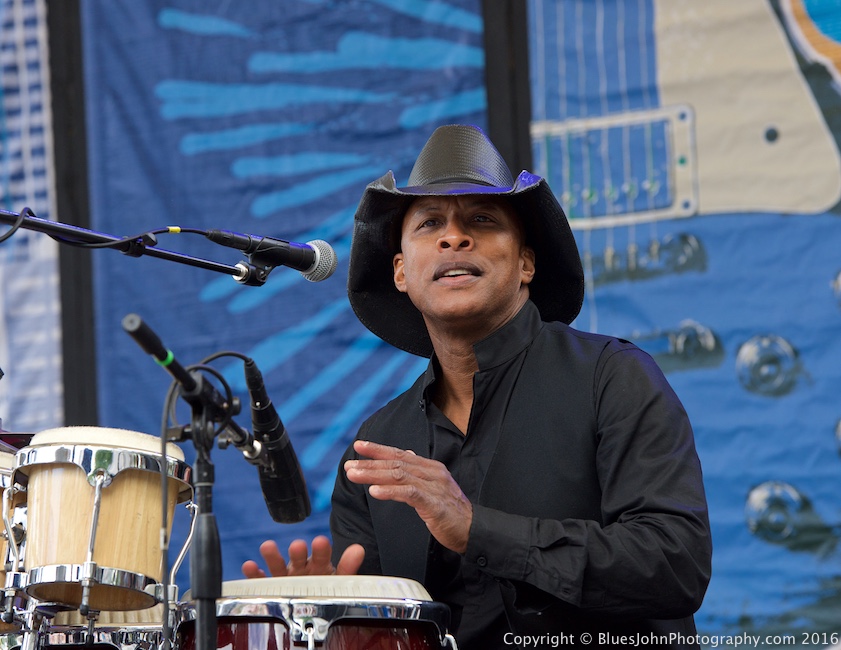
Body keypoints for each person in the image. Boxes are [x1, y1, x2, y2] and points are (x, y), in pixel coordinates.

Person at [242, 124, 713, 648]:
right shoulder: (377, 448)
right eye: (430, 223)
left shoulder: (613, 376)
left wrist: (476, 530)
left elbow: (676, 563)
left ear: (526, 262)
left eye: (482, 219)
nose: (453, 237)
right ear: (401, 272)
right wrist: (332, 623)